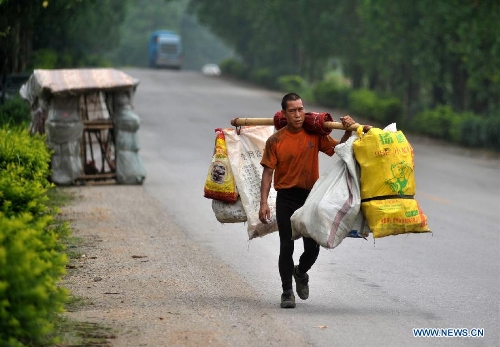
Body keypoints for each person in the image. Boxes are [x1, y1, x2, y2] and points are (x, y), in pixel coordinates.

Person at [259, 92, 363, 308]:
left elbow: (337, 150)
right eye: (292, 111)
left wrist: (348, 130)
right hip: (286, 198)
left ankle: (301, 272)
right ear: (284, 114)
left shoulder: (314, 135)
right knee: (286, 246)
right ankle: (287, 292)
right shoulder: (275, 140)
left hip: (310, 198)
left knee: (312, 248)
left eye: (300, 109)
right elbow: (268, 173)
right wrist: (263, 203)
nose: (298, 114)